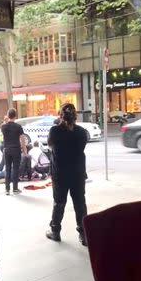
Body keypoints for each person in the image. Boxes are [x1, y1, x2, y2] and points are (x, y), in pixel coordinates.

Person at [46, 103, 88, 246]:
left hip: (60, 175)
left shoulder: (55, 131)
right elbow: (81, 148)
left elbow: (51, 146)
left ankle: (55, 231)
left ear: (60, 115)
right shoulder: (82, 132)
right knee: (80, 203)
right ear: (76, 116)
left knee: (59, 203)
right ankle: (84, 234)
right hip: (78, 174)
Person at [1, 108, 26, 195]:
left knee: (7, 169)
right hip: (16, 150)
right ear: (15, 116)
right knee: (15, 169)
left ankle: (7, 189)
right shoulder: (18, 127)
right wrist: (25, 150)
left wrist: (6, 120)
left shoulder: (3, 126)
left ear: (8, 115)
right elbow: (23, 140)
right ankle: (15, 188)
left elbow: (4, 125)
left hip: (7, 150)